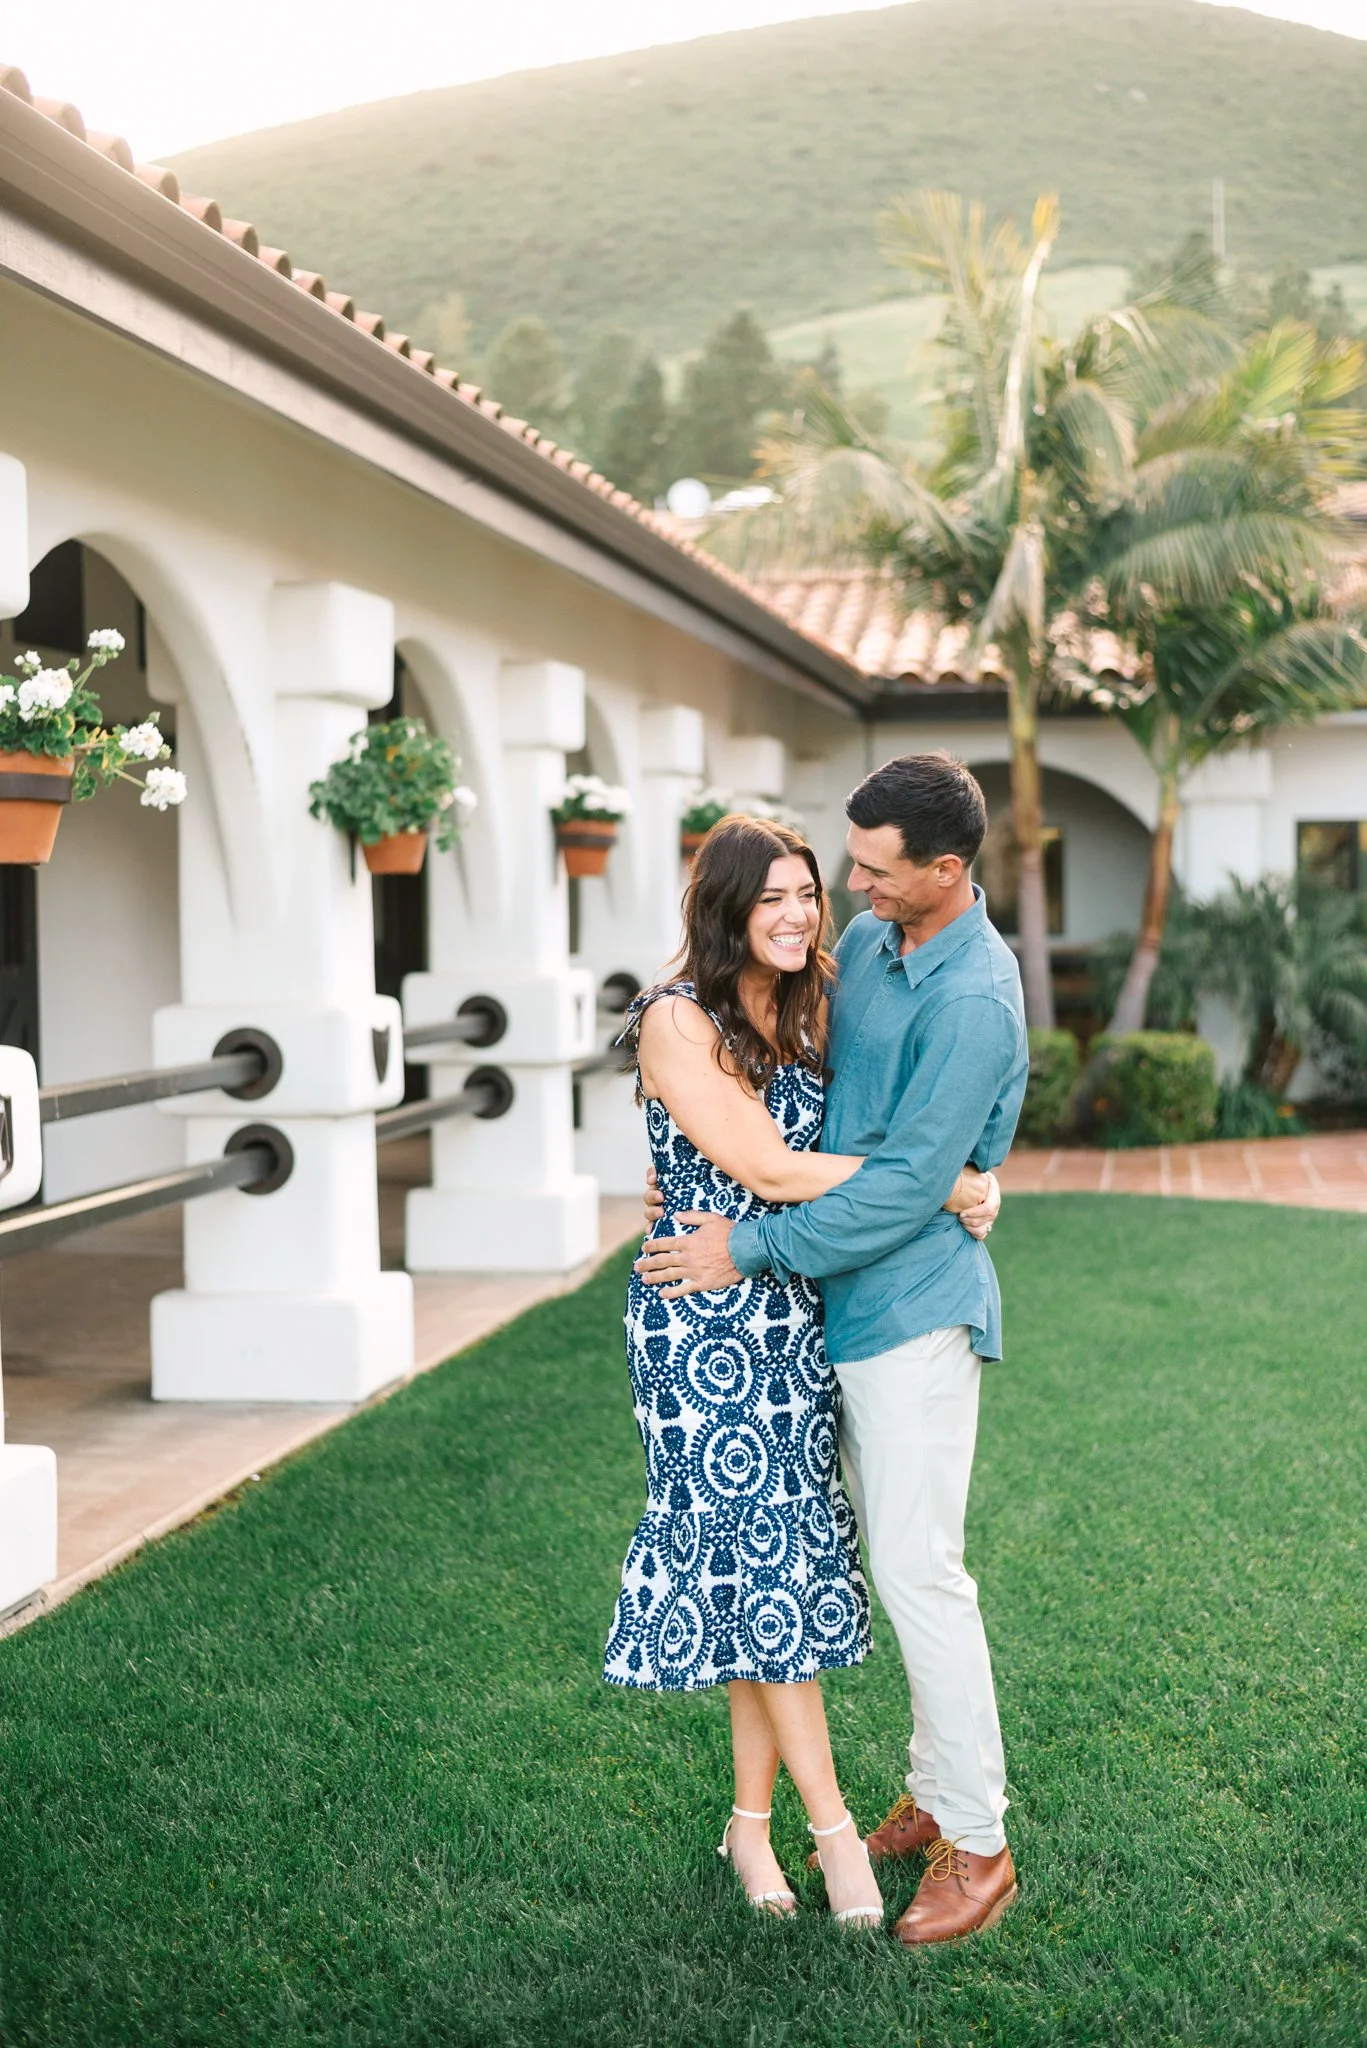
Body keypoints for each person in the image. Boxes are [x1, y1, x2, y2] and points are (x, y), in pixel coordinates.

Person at [636, 754, 1027, 1947]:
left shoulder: (974, 999)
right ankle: (922, 1782)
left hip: (903, 1311)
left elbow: (912, 1184)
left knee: (919, 1573)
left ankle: (979, 1840)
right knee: (815, 1567)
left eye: (869, 870)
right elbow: (765, 1099)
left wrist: (749, 1247)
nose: (843, 891)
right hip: (818, 1315)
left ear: (944, 872)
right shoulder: (868, 945)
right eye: (835, 867)